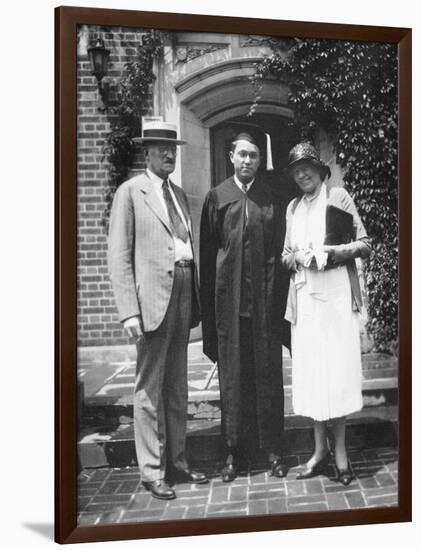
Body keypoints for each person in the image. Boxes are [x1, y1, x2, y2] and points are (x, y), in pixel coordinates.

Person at [108, 120, 208, 500]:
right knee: (149, 387)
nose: (169, 154)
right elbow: (118, 256)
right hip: (150, 300)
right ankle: (152, 471)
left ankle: (177, 462)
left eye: (173, 148)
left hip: (183, 290)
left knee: (177, 384)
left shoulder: (179, 195)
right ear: (146, 152)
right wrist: (128, 312)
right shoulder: (130, 192)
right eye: (161, 148)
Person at [200, 131, 290, 482]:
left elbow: (282, 252)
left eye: (253, 155)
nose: (248, 160)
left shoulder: (272, 197)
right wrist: (209, 312)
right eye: (242, 155)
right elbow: (208, 258)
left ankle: (272, 449)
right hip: (230, 308)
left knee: (268, 377)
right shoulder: (217, 197)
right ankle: (233, 452)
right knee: (233, 380)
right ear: (231, 157)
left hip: (265, 306)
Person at [282, 142, 371, 485]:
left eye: (308, 167)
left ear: (320, 170)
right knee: (313, 376)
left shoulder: (339, 198)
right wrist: (300, 257)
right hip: (305, 301)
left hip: (335, 297)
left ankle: (342, 453)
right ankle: (319, 451)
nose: (303, 174)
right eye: (296, 170)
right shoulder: (293, 208)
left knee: (337, 374)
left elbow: (364, 243)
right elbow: (286, 254)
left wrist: (330, 253)